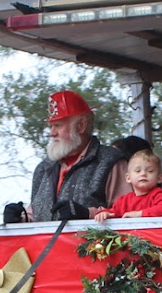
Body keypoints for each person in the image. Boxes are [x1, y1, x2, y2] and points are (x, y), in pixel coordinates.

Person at [28, 90, 128, 222]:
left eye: (57, 125)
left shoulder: (110, 161)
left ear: (81, 125)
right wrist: (21, 217)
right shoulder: (43, 168)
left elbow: (127, 214)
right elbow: (34, 216)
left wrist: (87, 214)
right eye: (51, 126)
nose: (52, 133)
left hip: (91, 243)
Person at [92, 149, 162, 221]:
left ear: (159, 178)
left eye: (150, 171)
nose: (143, 174)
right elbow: (113, 212)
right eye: (138, 171)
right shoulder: (124, 200)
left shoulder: (158, 194)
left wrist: (139, 214)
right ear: (128, 178)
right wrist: (104, 213)